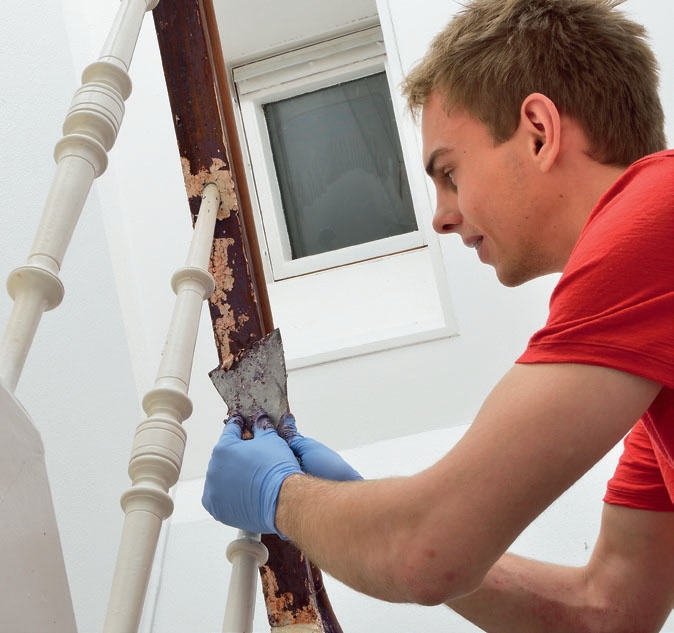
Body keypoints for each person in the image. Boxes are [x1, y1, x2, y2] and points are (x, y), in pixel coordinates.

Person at [202, 0, 674, 630]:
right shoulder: (652, 377)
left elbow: (427, 553)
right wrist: (354, 510)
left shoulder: (658, 211)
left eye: (450, 172)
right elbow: (608, 611)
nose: (442, 216)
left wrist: (280, 497)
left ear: (539, 131)